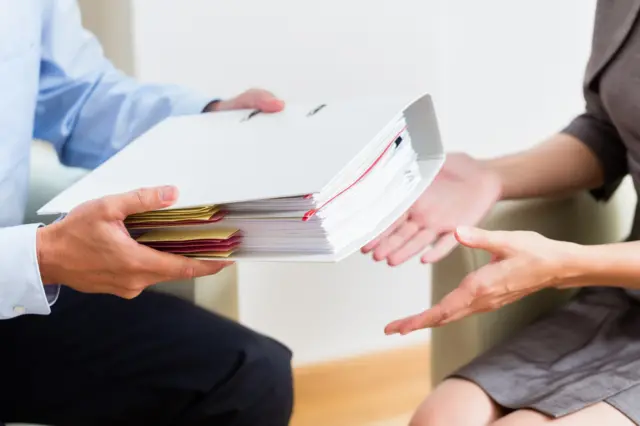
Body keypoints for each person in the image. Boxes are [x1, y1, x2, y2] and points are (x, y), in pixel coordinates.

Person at [1, 1, 292, 425]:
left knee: (248, 373)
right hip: (21, 264)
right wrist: (43, 256)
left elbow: (76, 94)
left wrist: (205, 124)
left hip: (14, 292)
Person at [364, 1, 640, 425]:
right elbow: (610, 129)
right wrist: (491, 176)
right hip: (627, 296)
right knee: (441, 418)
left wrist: (566, 265)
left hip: (618, 271)